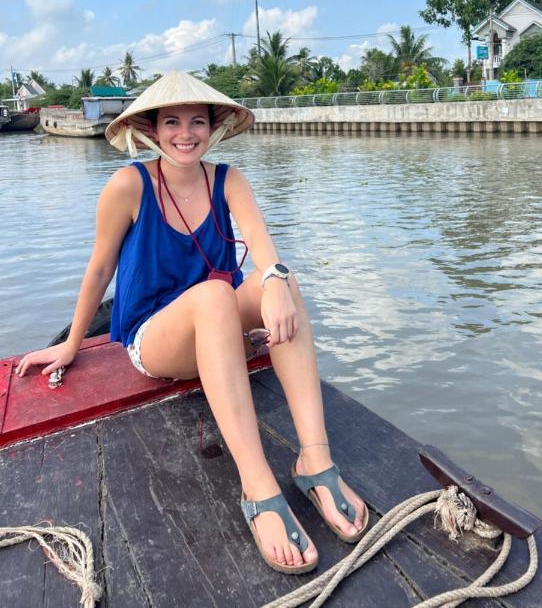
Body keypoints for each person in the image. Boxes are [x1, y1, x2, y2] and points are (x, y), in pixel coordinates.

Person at [16, 70, 367, 574]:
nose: (186, 133)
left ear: (213, 126)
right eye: (173, 122)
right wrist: (72, 343)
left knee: (281, 283)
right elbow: (99, 269)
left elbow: (264, 249)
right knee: (214, 295)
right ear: (153, 130)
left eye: (197, 121)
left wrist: (275, 282)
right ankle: (259, 486)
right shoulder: (128, 185)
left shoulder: (229, 180)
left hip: (218, 319)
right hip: (155, 340)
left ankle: (315, 460)